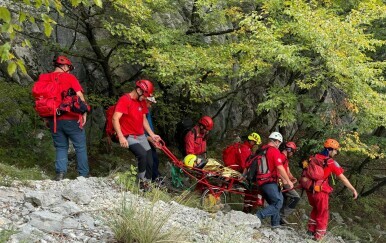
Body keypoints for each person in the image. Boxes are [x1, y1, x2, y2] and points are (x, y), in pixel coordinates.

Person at [43, 56, 89, 181]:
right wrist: (84, 114)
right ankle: (83, 175)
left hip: (54, 119)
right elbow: (79, 97)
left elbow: (43, 101)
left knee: (61, 147)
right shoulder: (70, 78)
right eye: (68, 68)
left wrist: (46, 119)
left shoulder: (45, 78)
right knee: (80, 146)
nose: (69, 70)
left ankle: (60, 174)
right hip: (72, 118)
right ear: (64, 66)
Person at [306, 138, 358, 241]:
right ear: (330, 150)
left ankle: (310, 231)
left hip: (310, 189)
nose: (336, 153)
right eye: (335, 150)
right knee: (323, 213)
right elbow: (342, 177)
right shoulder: (330, 162)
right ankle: (319, 237)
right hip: (321, 191)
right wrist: (353, 189)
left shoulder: (313, 157)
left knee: (316, 209)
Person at [112, 79, 161, 188]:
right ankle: (142, 183)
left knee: (149, 158)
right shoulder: (125, 100)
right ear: (138, 90)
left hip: (141, 136)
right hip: (128, 135)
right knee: (142, 154)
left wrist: (152, 134)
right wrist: (120, 137)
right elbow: (115, 118)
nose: (145, 98)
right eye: (144, 95)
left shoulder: (142, 101)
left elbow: (144, 119)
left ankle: (147, 184)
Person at [255, 132, 294, 227]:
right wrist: (288, 181)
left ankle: (275, 224)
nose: (279, 145)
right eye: (279, 143)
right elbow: (280, 167)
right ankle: (257, 216)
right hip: (268, 181)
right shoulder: (273, 151)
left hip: (261, 180)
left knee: (278, 200)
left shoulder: (261, 149)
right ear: (276, 141)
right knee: (278, 202)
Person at [279, 141, 300, 224]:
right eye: (293, 152)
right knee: (296, 197)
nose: (293, 154)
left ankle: (279, 218)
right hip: (282, 182)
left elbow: (287, 171)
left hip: (284, 181)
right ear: (289, 150)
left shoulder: (285, 158)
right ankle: (282, 216)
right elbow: (278, 170)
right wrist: (286, 181)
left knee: (285, 198)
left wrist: (292, 178)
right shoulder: (282, 157)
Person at [144, 96, 163, 183]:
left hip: (149, 139)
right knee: (150, 160)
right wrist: (149, 137)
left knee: (155, 159)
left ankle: (155, 178)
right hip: (143, 140)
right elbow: (136, 130)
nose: (150, 106)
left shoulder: (147, 113)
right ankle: (153, 180)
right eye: (150, 103)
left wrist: (153, 137)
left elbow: (149, 127)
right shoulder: (140, 113)